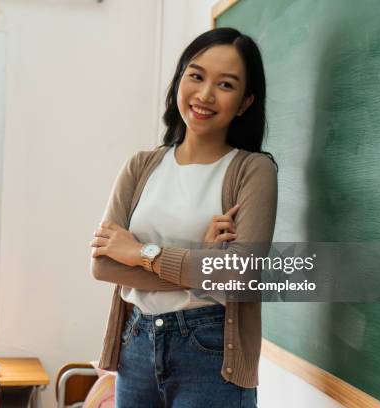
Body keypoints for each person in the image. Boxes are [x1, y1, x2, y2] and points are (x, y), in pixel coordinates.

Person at [90, 27, 277, 408]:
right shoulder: (141, 166)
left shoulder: (252, 171)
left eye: (225, 84)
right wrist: (201, 264)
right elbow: (105, 265)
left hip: (210, 353)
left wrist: (142, 252)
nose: (205, 94)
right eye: (196, 76)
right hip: (136, 344)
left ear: (244, 102)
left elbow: (240, 274)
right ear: (179, 81)